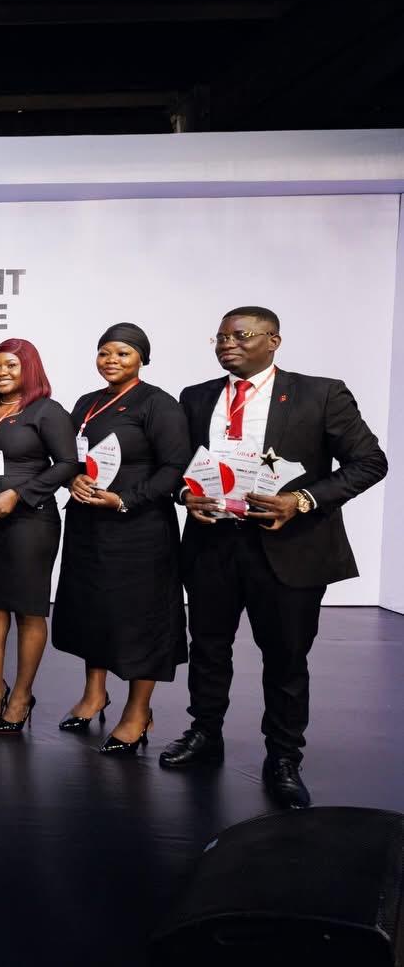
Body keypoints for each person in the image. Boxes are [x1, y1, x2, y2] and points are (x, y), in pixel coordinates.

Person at [160, 306, 386, 808]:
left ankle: (283, 756)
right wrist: (185, 495)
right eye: (220, 337)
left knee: (285, 657)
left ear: (273, 341)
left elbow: (370, 462)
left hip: (289, 546)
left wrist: (300, 501)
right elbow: (177, 467)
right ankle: (205, 733)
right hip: (213, 542)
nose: (228, 344)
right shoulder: (196, 397)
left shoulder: (320, 393)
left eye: (240, 335)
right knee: (209, 647)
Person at [50, 324, 192, 753]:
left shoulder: (158, 404)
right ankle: (95, 694)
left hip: (139, 528)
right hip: (88, 526)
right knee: (94, 610)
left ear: (142, 359)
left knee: (140, 618)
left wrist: (126, 500)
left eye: (123, 353)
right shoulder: (86, 403)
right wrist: (71, 479)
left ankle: (137, 712)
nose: (111, 360)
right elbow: (70, 457)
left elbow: (174, 468)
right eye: (104, 352)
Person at [0, 338, 79, 735]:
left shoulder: (47, 411)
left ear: (29, 368)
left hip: (31, 522)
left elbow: (67, 464)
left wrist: (20, 494)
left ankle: (22, 695)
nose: (2, 373)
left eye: (11, 365)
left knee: (28, 609)